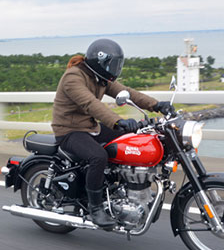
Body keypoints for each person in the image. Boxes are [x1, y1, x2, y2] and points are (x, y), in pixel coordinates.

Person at [51, 38, 175, 228]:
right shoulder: (73, 77)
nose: (115, 68)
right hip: (69, 131)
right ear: (100, 61)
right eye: (112, 64)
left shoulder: (101, 78)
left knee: (129, 142)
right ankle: (95, 209)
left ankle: (117, 191)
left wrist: (157, 105)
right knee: (98, 156)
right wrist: (118, 122)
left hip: (91, 128)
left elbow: (128, 93)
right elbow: (90, 104)